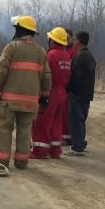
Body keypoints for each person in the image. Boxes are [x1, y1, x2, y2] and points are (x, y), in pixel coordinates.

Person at [0, 15, 51, 169]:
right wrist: (44, 95)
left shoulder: (12, 48)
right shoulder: (40, 52)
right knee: (25, 130)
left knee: (5, 128)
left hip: (10, 101)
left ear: (19, 30)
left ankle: (1, 161)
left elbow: (2, 71)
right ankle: (22, 161)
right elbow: (46, 76)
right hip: (31, 102)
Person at [30, 27, 71, 159]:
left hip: (50, 92)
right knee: (56, 123)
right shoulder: (66, 55)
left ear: (52, 40)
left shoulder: (50, 55)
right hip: (62, 93)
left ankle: (40, 151)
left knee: (42, 122)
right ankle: (55, 150)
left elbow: (44, 75)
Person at [65, 31, 96, 156]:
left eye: (74, 39)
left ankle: (77, 147)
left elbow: (75, 77)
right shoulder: (90, 56)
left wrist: (68, 89)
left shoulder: (79, 57)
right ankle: (81, 144)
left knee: (76, 120)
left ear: (78, 41)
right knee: (82, 120)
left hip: (76, 94)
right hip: (87, 95)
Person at [61, 29, 77, 146]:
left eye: (68, 38)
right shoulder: (63, 51)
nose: (66, 41)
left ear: (73, 39)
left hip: (69, 88)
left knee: (68, 114)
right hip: (62, 87)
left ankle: (69, 137)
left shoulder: (74, 52)